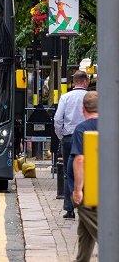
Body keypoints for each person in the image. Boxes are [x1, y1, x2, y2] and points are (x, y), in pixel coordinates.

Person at [54, 70, 91, 218]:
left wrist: (61, 135)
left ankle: (69, 209)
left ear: (74, 82)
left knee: (69, 173)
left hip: (69, 138)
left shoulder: (66, 97)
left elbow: (57, 119)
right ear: (85, 81)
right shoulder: (91, 97)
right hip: (89, 137)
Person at [70, 91, 98, 262]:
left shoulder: (82, 129)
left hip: (89, 190)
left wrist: (77, 190)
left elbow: (80, 159)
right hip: (104, 185)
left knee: (100, 230)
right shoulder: (110, 125)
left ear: (83, 109)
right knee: (85, 233)